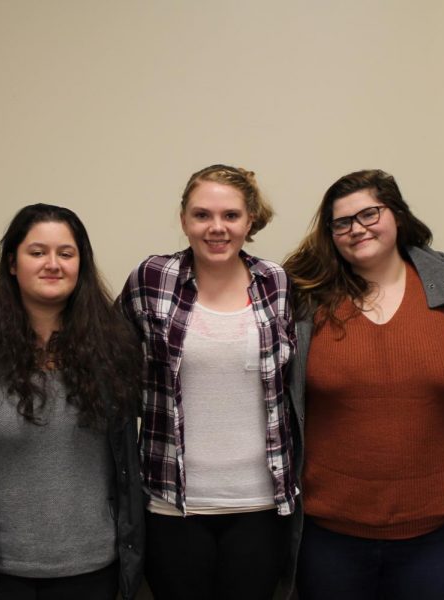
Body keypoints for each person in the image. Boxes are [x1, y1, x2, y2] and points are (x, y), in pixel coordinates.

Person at [0, 203, 144, 600]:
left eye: (66, 254)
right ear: (13, 264)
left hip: (95, 571)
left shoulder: (114, 349)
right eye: (37, 252)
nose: (52, 264)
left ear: (81, 265)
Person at [283, 169, 444, 600]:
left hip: (437, 533)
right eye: (342, 222)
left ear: (397, 215)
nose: (357, 229)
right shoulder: (304, 300)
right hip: (330, 533)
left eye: (369, 214)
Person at [118, 164, 298, 600]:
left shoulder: (275, 282)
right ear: (184, 220)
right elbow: (111, 362)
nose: (216, 228)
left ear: (249, 220)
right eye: (202, 215)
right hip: (172, 503)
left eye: (231, 216)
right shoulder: (152, 278)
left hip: (259, 502)